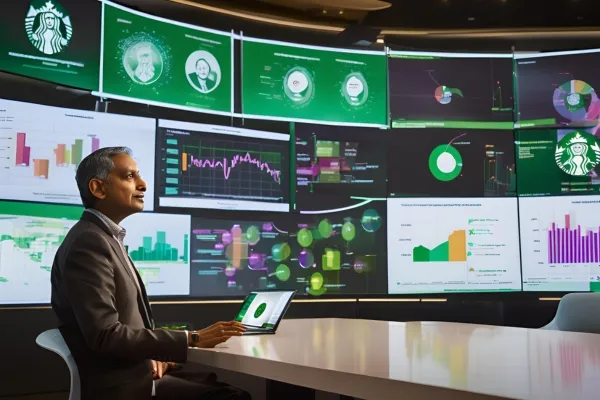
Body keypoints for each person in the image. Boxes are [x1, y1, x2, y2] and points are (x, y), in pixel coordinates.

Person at [50, 147, 249, 400]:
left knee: (223, 389)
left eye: (139, 175)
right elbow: (105, 335)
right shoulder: (89, 243)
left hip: (140, 372)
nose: (143, 184)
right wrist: (193, 338)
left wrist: (156, 354)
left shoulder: (103, 237)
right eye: (129, 176)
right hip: (125, 388)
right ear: (98, 189)